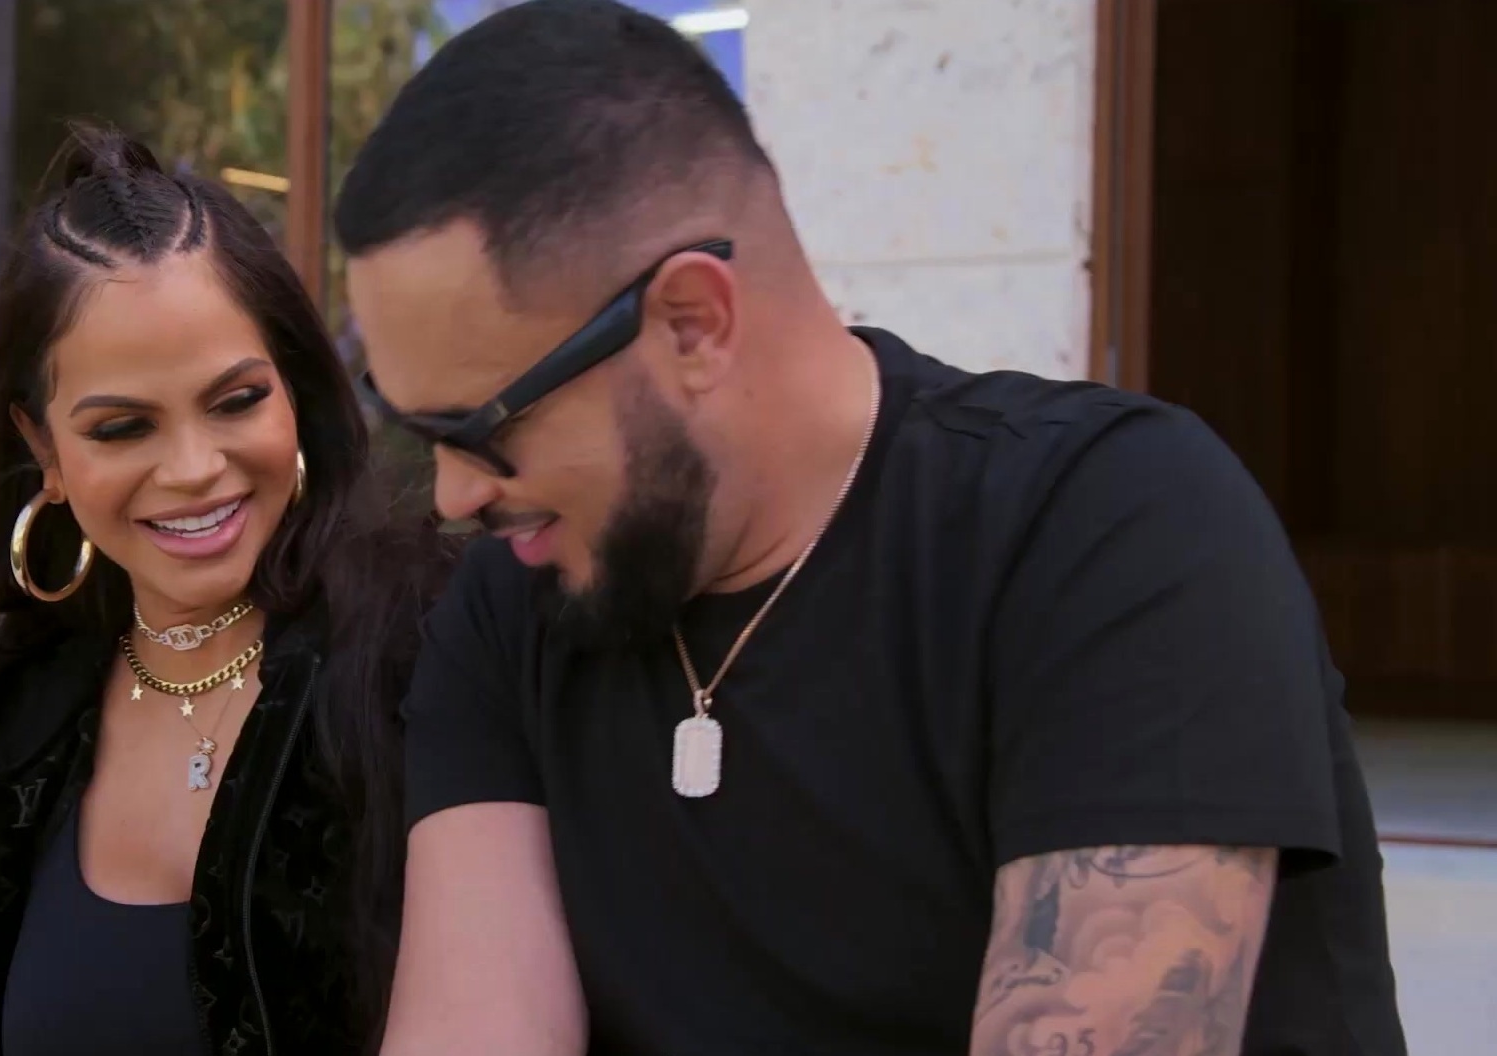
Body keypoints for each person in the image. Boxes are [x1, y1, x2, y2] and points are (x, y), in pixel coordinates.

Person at [330, 2, 1408, 1054]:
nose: (452, 496)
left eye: (478, 430)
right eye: (411, 432)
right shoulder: (514, 603)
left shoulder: (1109, 529)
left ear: (693, 324)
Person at [0, 124, 452, 1056]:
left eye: (236, 400)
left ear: (293, 390)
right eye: (123, 428)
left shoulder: (430, 663)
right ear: (44, 450)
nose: (194, 468)